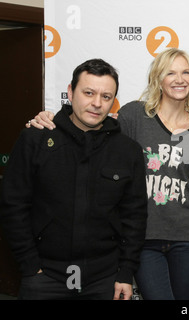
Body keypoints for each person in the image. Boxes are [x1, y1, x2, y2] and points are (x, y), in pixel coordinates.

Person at [26, 48, 189, 300]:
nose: (179, 79)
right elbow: (95, 129)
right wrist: (49, 118)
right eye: (170, 72)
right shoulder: (134, 115)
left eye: (186, 72)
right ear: (158, 78)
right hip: (143, 236)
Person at [0, 59, 148, 300]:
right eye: (88, 93)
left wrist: (125, 272)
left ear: (114, 101)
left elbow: (135, 216)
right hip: (44, 277)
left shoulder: (127, 150)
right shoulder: (35, 139)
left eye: (106, 96)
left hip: (104, 279)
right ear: (70, 92)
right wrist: (30, 265)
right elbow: (13, 205)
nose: (97, 103)